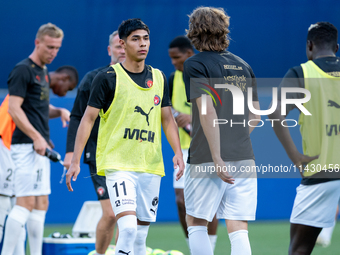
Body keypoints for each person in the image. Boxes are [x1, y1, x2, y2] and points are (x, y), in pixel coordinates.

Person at [66, 18, 184, 255]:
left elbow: (167, 119)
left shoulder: (159, 77)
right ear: (122, 43)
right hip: (118, 164)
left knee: (140, 237)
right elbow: (86, 119)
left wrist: (178, 153)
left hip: (150, 165)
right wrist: (75, 158)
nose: (143, 44)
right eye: (135, 39)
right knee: (127, 228)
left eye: (146, 38)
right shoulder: (106, 78)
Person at [183, 7, 260, 255]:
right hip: (244, 156)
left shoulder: (194, 64)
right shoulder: (243, 65)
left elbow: (206, 111)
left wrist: (217, 155)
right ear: (224, 29)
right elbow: (256, 115)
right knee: (238, 226)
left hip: (207, 156)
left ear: (194, 32)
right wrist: (234, 140)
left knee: (196, 222)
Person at [268, 22, 340, 255]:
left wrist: (295, 156)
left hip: (323, 171)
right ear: (336, 47)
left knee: (300, 249)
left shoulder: (302, 73)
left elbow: (275, 113)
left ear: (309, 46)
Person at [1, 22, 70, 255]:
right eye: (50, 47)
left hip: (39, 149)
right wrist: (36, 137)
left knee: (42, 204)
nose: (53, 52)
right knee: (25, 204)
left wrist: (59, 111)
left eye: (57, 48)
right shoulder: (23, 70)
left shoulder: (42, 72)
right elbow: (14, 108)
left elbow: (38, 108)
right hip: (24, 147)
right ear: (37, 42)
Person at [63, 30, 125, 255]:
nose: (122, 50)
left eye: (125, 45)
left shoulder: (144, 78)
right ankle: (99, 254)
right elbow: (78, 116)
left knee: (128, 216)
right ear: (110, 50)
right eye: (118, 46)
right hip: (99, 154)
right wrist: (71, 153)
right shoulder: (94, 78)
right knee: (111, 214)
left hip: (130, 155)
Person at [168, 35, 219, 251]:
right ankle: (194, 249)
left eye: (177, 57)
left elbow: (220, 109)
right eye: (171, 58)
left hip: (208, 147)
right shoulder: (171, 79)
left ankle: (211, 248)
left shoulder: (206, 74)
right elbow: (166, 110)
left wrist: (191, 117)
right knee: (182, 202)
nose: (173, 62)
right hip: (183, 149)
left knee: (208, 203)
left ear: (190, 53)